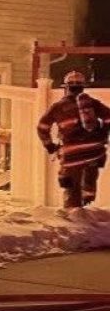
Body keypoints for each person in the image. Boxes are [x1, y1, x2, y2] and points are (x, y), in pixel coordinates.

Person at [37, 71, 110, 209]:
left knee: (70, 187)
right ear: (83, 87)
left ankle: (74, 219)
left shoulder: (57, 107)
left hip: (72, 155)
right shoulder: (93, 104)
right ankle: (88, 196)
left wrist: (50, 146)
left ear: (66, 87)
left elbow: (42, 127)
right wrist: (103, 133)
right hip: (94, 153)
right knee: (89, 179)